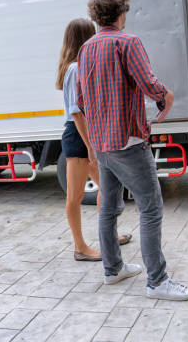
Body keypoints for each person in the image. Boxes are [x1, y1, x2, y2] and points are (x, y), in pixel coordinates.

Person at [76, 0, 188, 300]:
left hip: (102, 142)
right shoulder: (128, 42)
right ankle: (157, 281)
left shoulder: (85, 49)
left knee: (109, 208)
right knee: (151, 208)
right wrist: (166, 96)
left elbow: (80, 100)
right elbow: (149, 84)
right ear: (122, 12)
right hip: (128, 141)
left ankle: (113, 270)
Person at [56, 18, 132, 262]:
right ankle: (80, 247)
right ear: (84, 38)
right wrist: (90, 147)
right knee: (75, 196)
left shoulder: (78, 65)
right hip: (79, 136)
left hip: (87, 134)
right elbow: (76, 112)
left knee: (108, 189)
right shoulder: (75, 68)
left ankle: (108, 236)